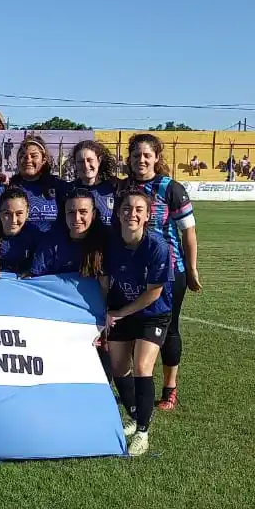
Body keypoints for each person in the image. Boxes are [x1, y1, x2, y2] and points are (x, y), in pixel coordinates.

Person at [123, 133, 201, 411]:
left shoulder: (171, 188)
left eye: (146, 155)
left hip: (170, 272)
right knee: (131, 328)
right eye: (136, 155)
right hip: (131, 272)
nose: (141, 160)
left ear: (157, 157)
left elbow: (188, 233)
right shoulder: (124, 187)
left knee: (169, 329)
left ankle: (170, 388)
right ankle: (136, 383)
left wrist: (191, 269)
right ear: (129, 159)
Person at [101, 188, 174, 457]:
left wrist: (121, 313)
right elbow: (105, 280)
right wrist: (106, 310)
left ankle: (143, 432)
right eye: (127, 209)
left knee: (143, 366)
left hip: (152, 312)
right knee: (119, 367)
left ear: (147, 216)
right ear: (118, 214)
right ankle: (133, 415)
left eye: (138, 210)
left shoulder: (157, 246)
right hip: (122, 310)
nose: (132, 213)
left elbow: (154, 292)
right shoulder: (111, 243)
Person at [28, 188, 108, 278]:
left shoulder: (106, 243)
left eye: (83, 212)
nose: (77, 218)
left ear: (93, 214)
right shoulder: (51, 242)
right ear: (64, 214)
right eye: (71, 212)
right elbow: (35, 278)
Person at [10, 136, 68, 232]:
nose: (28, 160)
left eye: (34, 156)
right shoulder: (9, 187)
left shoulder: (58, 186)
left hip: (51, 245)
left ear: (43, 160)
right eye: (22, 156)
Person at [67, 139, 120, 224]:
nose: (86, 165)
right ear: (75, 164)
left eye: (89, 160)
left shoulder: (115, 188)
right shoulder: (68, 191)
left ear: (99, 160)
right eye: (80, 162)